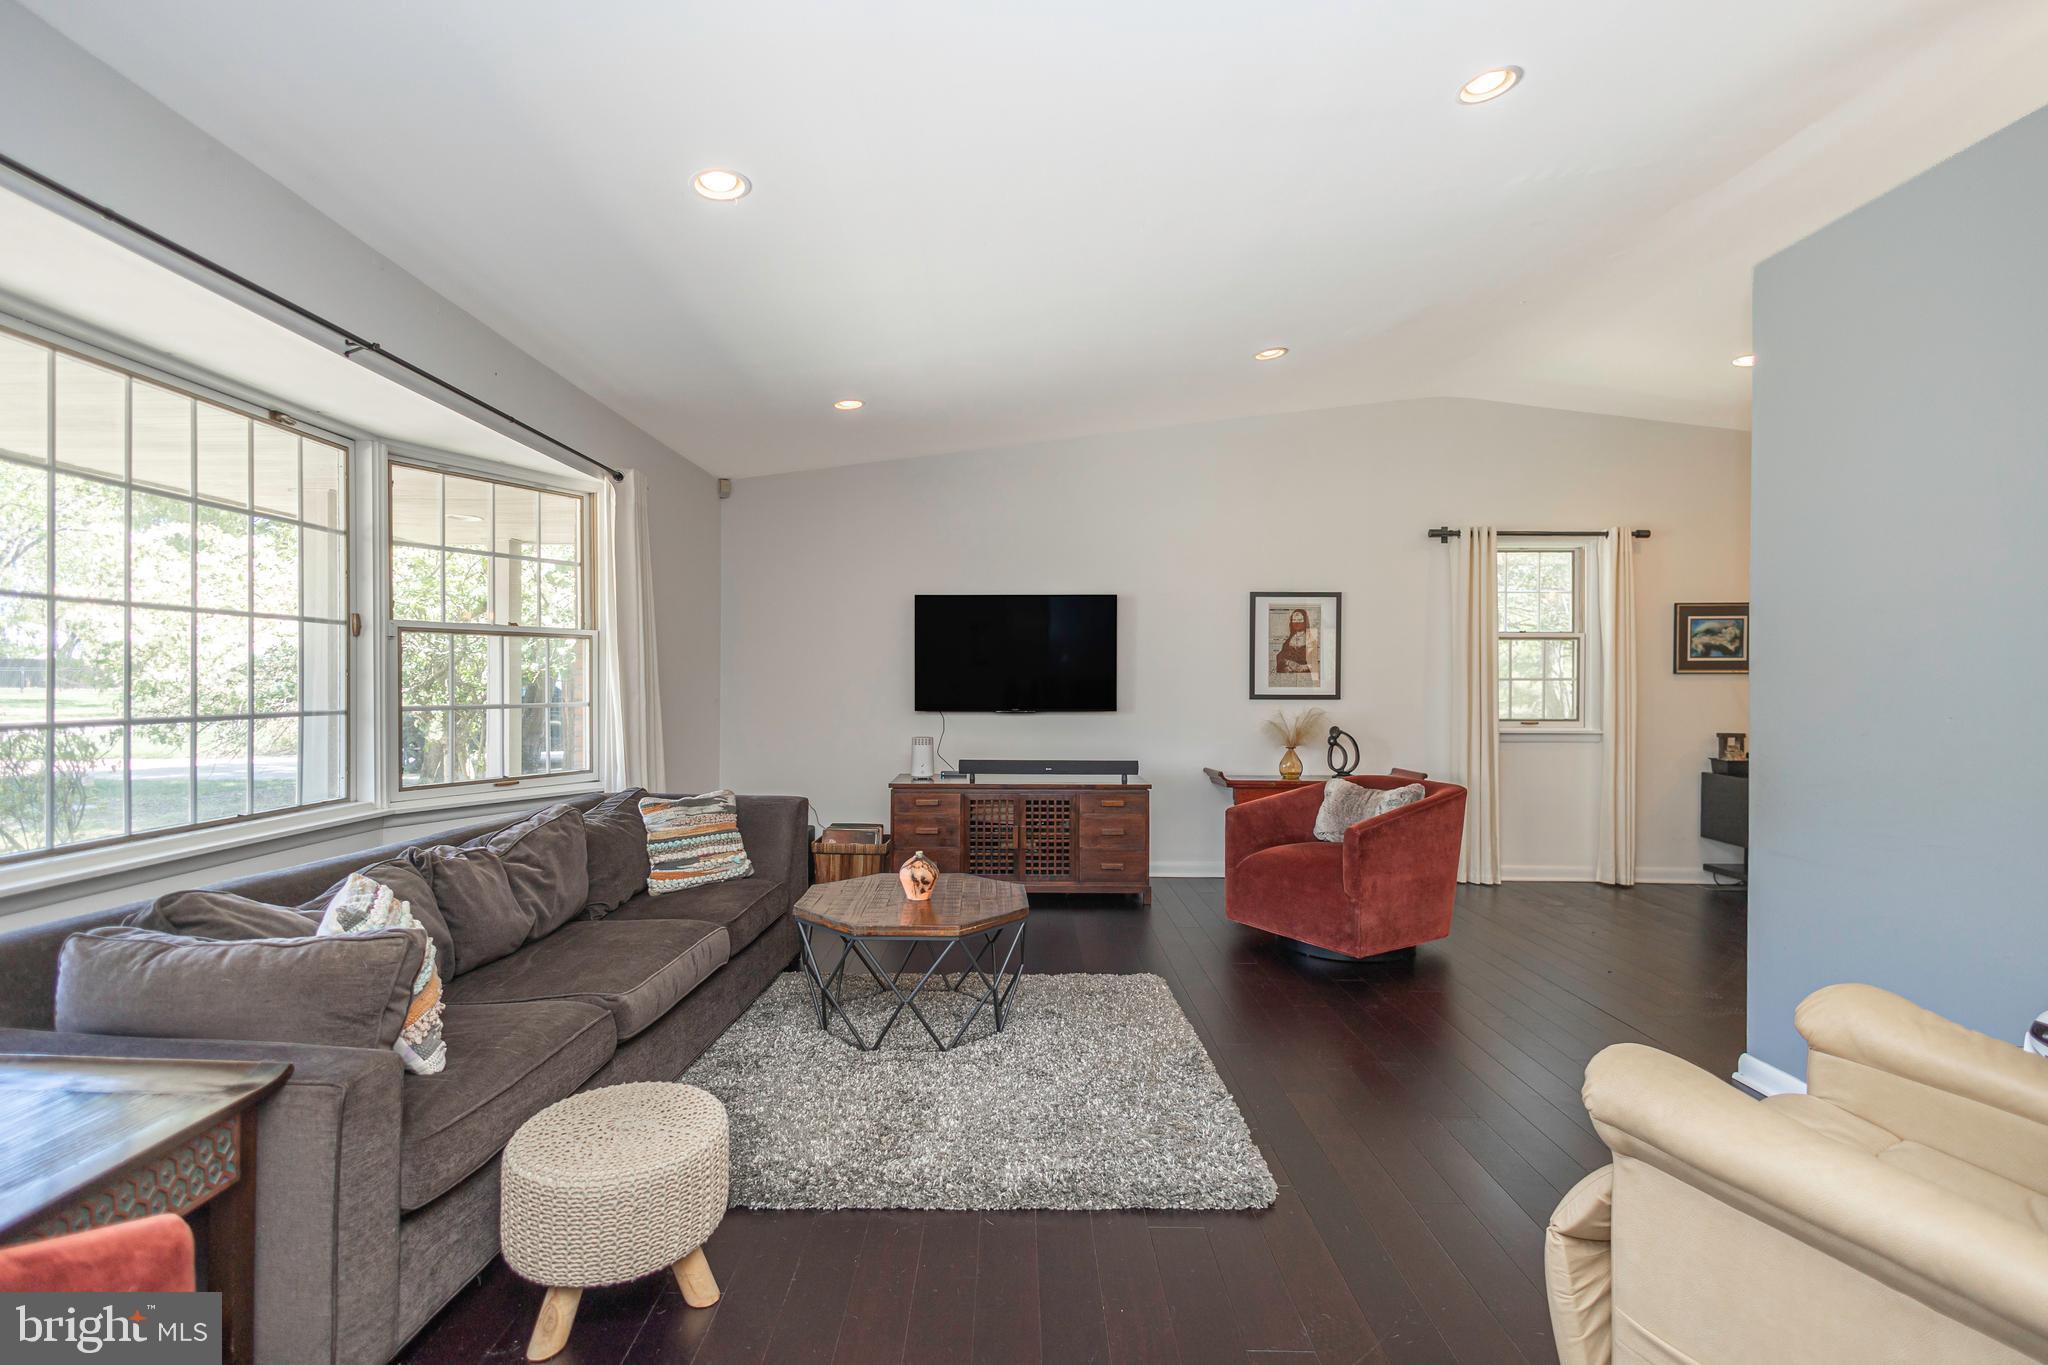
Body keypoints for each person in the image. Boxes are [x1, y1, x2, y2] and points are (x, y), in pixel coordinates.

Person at [1274, 608, 1314, 676]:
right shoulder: (1289, 640)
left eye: (1299, 620)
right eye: (1294, 620)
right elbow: (1280, 656)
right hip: (1288, 675)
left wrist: (1302, 667)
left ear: (1305, 621)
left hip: (1304, 675)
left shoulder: (1311, 640)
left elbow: (1315, 663)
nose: (1296, 622)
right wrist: (1288, 663)